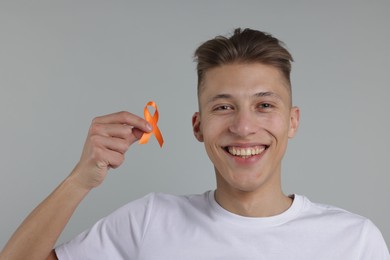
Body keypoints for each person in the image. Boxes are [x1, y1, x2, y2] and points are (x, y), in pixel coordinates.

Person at [1, 28, 389, 260]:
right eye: (223, 107)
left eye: (264, 105)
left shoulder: (354, 241)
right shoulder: (148, 220)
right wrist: (78, 181)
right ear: (198, 126)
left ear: (292, 122)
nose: (243, 126)